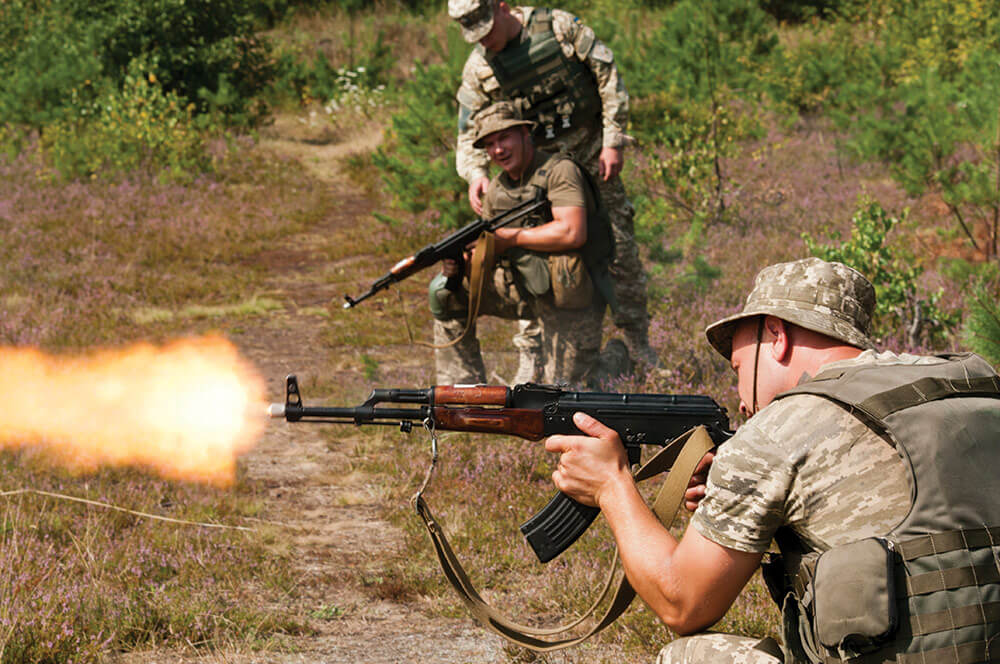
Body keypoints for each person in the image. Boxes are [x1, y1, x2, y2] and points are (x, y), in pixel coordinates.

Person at [544, 257, 1000, 664]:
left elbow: (681, 603)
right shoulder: (971, 384)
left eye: (739, 369)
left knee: (689, 656)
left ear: (776, 336)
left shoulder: (778, 430)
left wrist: (611, 484)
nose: (742, 403)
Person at [448, 0, 657, 381]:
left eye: (488, 29)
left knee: (620, 250)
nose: (486, 41)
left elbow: (607, 78)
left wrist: (614, 139)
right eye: (475, 35)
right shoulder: (480, 66)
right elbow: (469, 127)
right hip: (533, 179)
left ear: (501, 6)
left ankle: (638, 343)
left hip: (593, 161)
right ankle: (533, 353)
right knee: (527, 258)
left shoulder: (560, 29)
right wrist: (476, 172)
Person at [429, 101, 616, 387]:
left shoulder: (560, 171)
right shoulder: (497, 190)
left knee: (562, 390)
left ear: (525, 134)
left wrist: (511, 237)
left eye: (504, 138)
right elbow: (488, 253)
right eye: (490, 144)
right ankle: (463, 392)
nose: (498, 150)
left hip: (570, 296)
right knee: (444, 294)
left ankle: (617, 358)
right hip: (522, 289)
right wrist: (462, 265)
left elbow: (572, 232)